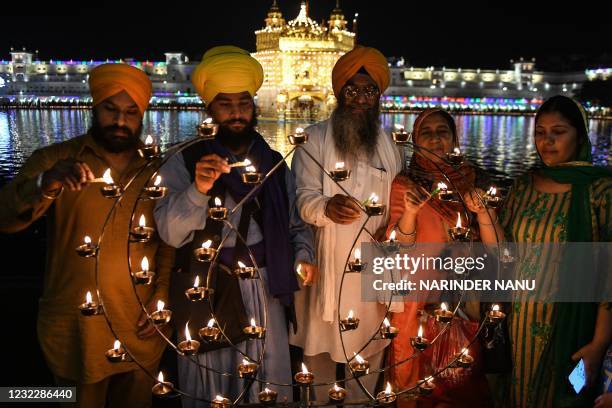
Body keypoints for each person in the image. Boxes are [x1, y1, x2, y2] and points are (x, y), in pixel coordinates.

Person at [0, 63, 173, 407]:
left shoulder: (158, 169)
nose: (120, 121)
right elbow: (6, 218)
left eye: (130, 112)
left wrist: (162, 295)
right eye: (110, 109)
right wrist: (45, 184)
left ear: (142, 116)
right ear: (94, 109)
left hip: (140, 325)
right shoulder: (57, 160)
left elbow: (167, 241)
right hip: (77, 329)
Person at [153, 45, 316, 405]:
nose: (237, 113)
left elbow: (295, 224)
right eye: (225, 104)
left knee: (265, 381)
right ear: (208, 108)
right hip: (207, 287)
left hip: (264, 286)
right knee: (210, 382)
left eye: (244, 103)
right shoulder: (184, 160)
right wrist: (199, 189)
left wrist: (303, 256)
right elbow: (170, 231)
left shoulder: (273, 162)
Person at [289, 46, 402, 400]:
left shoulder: (391, 146)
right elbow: (302, 199)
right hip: (327, 266)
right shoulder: (315, 138)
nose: (360, 99)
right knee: (319, 361)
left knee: (365, 363)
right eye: (352, 90)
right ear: (339, 93)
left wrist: (395, 229)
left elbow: (397, 204)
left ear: (378, 96)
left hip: (373, 269)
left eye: (369, 91)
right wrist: (327, 207)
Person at [499, 95, 612, 407]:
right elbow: (503, 251)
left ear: (579, 135)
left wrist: (599, 343)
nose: (546, 141)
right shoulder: (523, 186)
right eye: (540, 132)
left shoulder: (600, 191)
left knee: (567, 396)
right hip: (519, 324)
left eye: (558, 132)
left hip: (576, 326)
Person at [384, 108, 500, 407]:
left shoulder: (472, 181)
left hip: (462, 298)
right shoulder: (405, 184)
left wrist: (483, 211)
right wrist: (410, 212)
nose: (435, 138)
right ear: (415, 140)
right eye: (426, 132)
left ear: (454, 138)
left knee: (460, 382)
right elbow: (396, 247)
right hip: (417, 299)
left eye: (443, 131)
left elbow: (496, 251)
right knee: (415, 383)